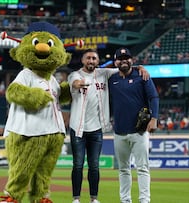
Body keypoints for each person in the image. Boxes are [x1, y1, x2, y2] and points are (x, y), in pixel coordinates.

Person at [68, 49, 150, 203]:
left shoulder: (104, 73)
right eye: (88, 58)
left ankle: (94, 199)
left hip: (97, 128)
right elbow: (75, 82)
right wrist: (80, 84)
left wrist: (140, 68)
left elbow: (125, 66)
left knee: (94, 166)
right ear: (83, 61)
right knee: (78, 164)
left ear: (98, 61)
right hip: (78, 128)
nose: (91, 61)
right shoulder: (75, 74)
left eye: (94, 58)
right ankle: (76, 199)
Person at [108, 47, 159, 203]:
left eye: (127, 58)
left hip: (139, 132)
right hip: (119, 132)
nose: (124, 60)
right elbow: (97, 71)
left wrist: (154, 118)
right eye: (120, 58)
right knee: (123, 169)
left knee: (142, 168)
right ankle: (125, 200)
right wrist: (138, 66)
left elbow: (154, 97)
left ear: (132, 60)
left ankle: (144, 200)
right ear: (115, 61)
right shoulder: (111, 78)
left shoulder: (142, 76)